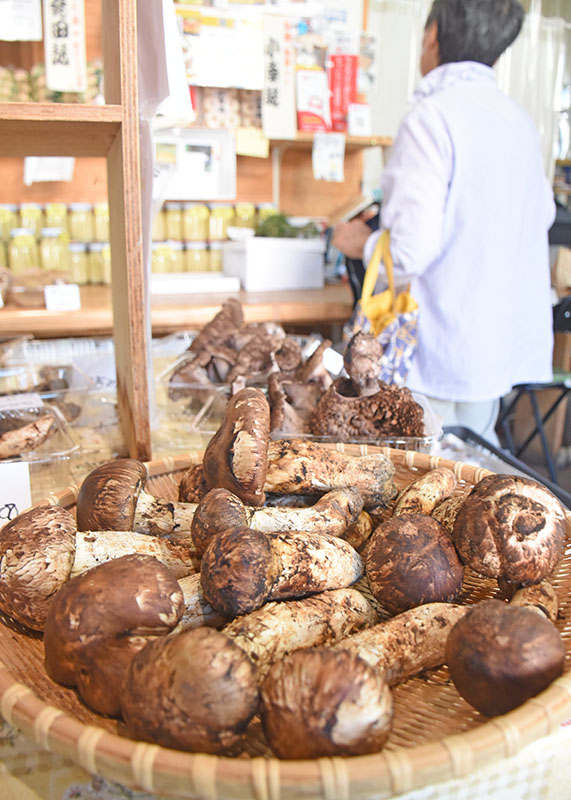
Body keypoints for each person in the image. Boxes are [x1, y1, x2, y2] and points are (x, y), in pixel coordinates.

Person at [332, 0, 556, 443]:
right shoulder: (519, 122)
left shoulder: (431, 118)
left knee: (428, 479)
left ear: (433, 35)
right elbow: (542, 214)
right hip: (495, 345)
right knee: (475, 467)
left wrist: (360, 241)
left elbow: (410, 250)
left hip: (440, 347)